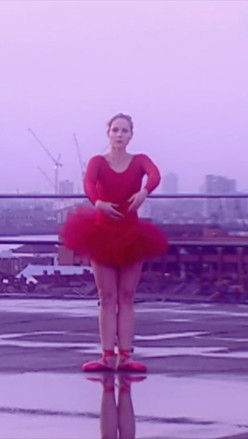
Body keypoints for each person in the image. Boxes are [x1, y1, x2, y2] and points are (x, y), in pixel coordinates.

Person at [60, 113, 167, 373]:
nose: (120, 135)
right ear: (108, 133)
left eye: (125, 130)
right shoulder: (98, 161)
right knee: (107, 297)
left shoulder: (139, 160)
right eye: (115, 130)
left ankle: (126, 356)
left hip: (131, 235)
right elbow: (88, 183)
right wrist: (98, 203)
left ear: (131, 135)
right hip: (102, 233)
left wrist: (144, 192)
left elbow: (154, 175)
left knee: (127, 296)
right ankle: (107, 356)